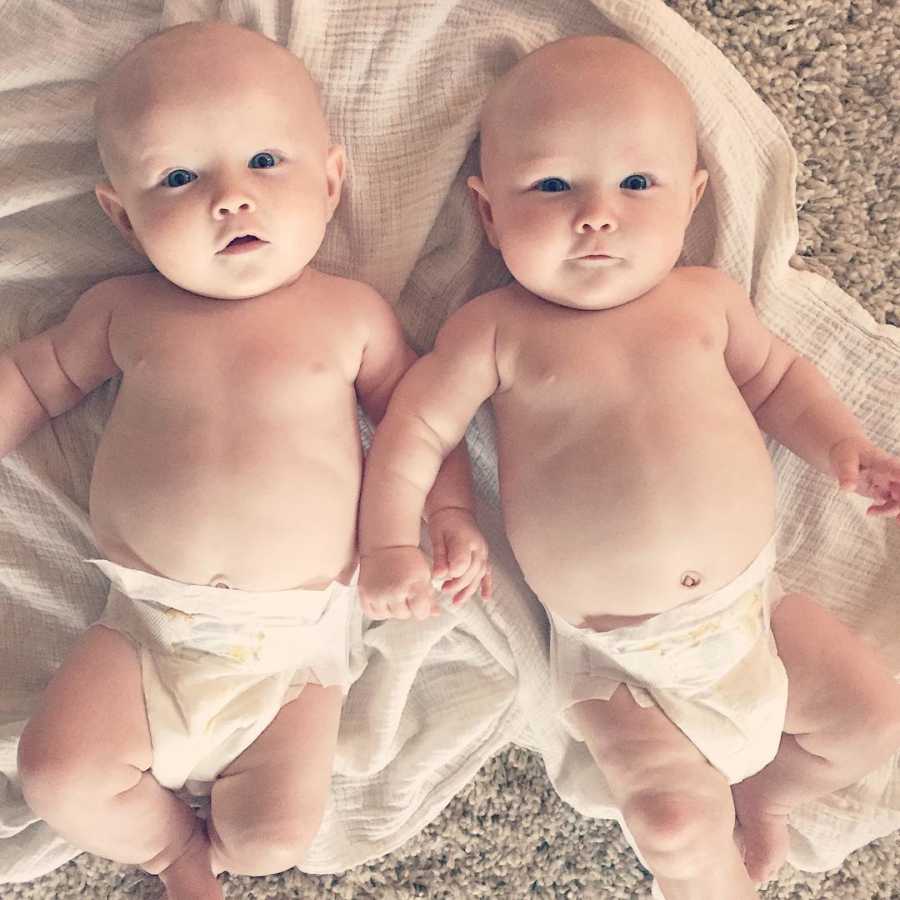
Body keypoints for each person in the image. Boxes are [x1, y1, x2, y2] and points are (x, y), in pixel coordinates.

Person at [357, 35, 900, 900]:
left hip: (753, 617)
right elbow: (414, 430)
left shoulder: (704, 302)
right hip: (621, 666)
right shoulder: (496, 330)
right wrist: (395, 542)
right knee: (672, 822)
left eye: (636, 184)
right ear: (489, 214)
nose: (596, 214)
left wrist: (843, 447)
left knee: (872, 718)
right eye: (552, 186)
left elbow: (780, 381)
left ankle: (767, 797)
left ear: (690, 202)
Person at [8, 21, 489, 900]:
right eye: (180, 177)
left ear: (332, 181)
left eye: (266, 162)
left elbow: (422, 422)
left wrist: (442, 522)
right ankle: (169, 854)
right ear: (122, 214)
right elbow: (34, 382)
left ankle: (230, 853)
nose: (230, 198)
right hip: (146, 627)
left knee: (275, 835)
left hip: (296, 651)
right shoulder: (124, 311)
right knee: (56, 771)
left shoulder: (351, 315)